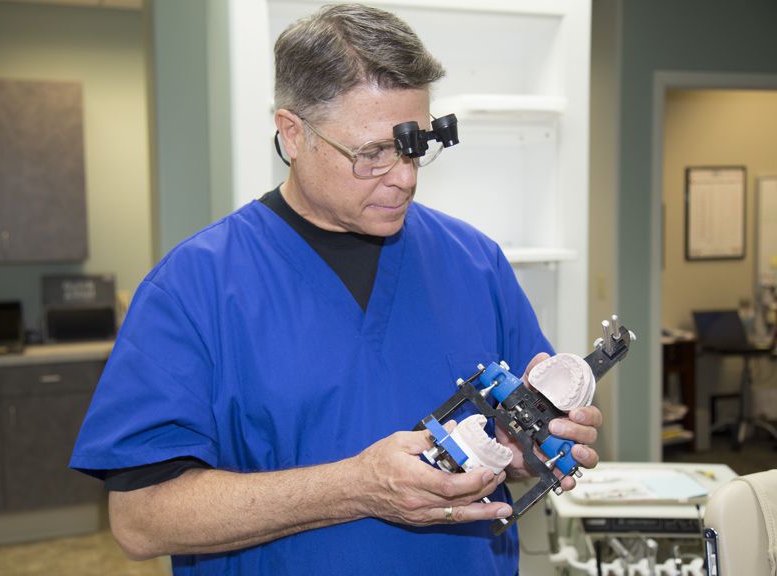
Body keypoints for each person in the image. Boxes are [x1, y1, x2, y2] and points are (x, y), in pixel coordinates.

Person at [70, 3, 602, 575]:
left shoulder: (475, 263)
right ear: (293, 134)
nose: (405, 176)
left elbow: (530, 429)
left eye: (417, 144)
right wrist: (356, 487)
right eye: (373, 153)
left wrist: (527, 449)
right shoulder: (193, 290)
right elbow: (140, 520)